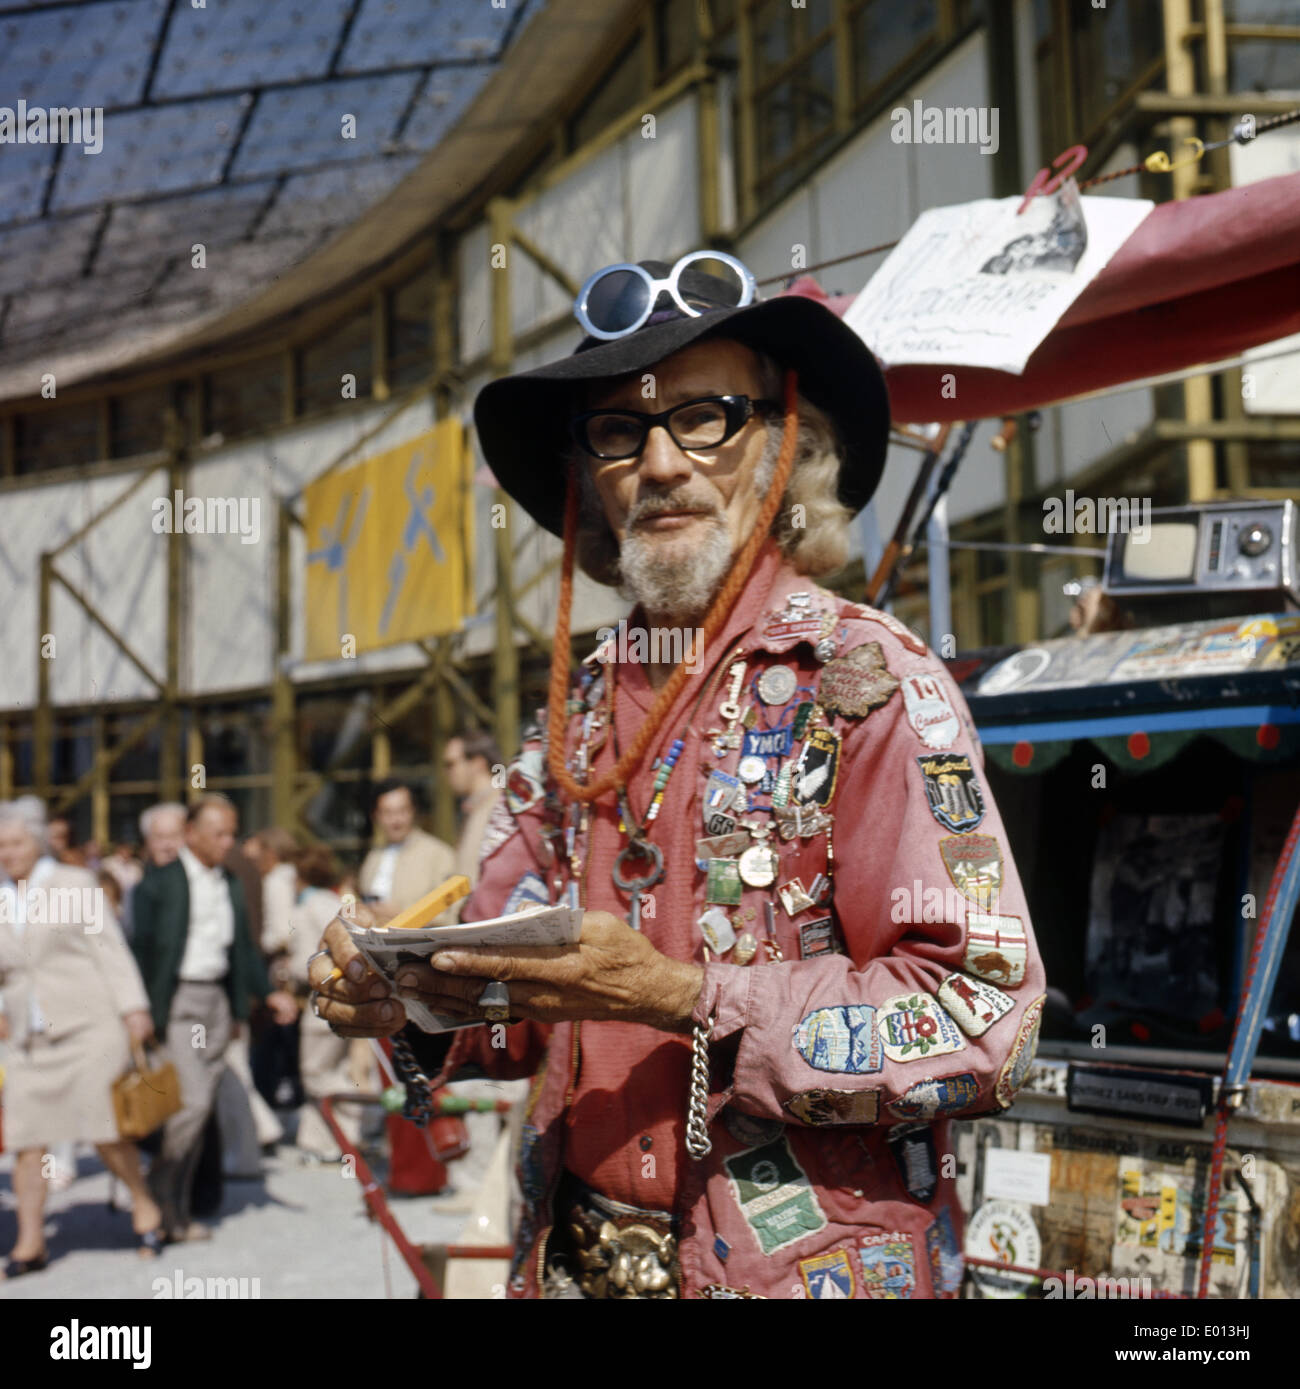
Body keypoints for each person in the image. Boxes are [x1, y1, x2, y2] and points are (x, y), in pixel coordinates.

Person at [311, 252, 1046, 1300]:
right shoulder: (569, 717)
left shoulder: (868, 679)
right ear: (588, 482)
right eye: (620, 431)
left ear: (786, 447)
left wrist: (683, 997)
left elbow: (987, 1016)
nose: (661, 463)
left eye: (707, 416)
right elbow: (504, 992)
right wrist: (400, 995)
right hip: (571, 1263)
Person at [0, 798, 164, 1275]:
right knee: (26, 1141)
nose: (6, 854)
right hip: (29, 1039)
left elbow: (109, 948)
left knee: (105, 1131)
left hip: (90, 1025)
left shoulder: (75, 884)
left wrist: (134, 1008)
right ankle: (30, 1243)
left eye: (14, 843)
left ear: (37, 840)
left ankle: (143, 1202)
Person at [129, 793, 297, 1242]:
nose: (229, 842)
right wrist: (138, 1009)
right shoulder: (158, 883)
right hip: (179, 1004)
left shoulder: (228, 883)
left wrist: (267, 995)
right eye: (219, 833)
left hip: (216, 1004)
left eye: (232, 832)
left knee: (200, 1112)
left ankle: (174, 1211)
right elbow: (140, 948)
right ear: (192, 834)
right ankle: (157, 1193)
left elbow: (242, 948)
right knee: (194, 1103)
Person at [281, 845, 370, 1161]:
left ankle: (335, 1140)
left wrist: (287, 970)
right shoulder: (337, 903)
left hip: (321, 996)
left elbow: (307, 959)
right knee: (339, 1068)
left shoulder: (307, 909)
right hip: (347, 994)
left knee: (316, 1073)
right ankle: (335, 1140)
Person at [357, 779, 458, 925]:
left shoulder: (438, 854)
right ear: (376, 816)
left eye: (402, 811)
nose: (396, 820)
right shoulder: (373, 856)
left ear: (413, 811)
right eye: (387, 813)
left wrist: (403, 913)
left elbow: (450, 913)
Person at [443, 731, 504, 896]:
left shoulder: (501, 809)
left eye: (451, 764)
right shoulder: (476, 808)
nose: (447, 772)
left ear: (478, 763)